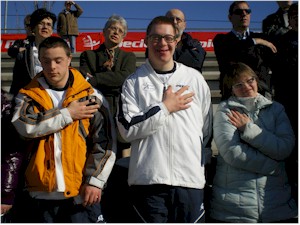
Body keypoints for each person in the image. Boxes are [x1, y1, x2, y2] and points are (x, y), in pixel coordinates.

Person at [116, 16, 213, 223]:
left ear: (177, 41)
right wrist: (165, 107)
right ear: (146, 41)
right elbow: (127, 130)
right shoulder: (133, 82)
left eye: (168, 38)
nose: (162, 44)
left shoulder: (195, 79)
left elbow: (204, 130)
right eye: (156, 38)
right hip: (148, 181)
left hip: (189, 181)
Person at [11, 36, 117, 223]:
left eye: (58, 60)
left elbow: (106, 142)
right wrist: (68, 114)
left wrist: (95, 181)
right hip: (39, 195)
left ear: (69, 59)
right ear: (39, 61)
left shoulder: (91, 96)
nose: (52, 66)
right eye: (46, 61)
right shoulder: (27, 95)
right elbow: (25, 127)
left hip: (82, 195)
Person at [210, 62, 298, 223]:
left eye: (250, 80)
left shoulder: (276, 109)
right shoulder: (225, 111)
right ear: (231, 89)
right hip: (234, 209)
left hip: (277, 206)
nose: (247, 86)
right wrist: (274, 166)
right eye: (238, 84)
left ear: (256, 80)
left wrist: (249, 130)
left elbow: (285, 148)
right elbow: (233, 154)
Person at [80, 14, 136, 159]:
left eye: (120, 31)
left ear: (123, 36)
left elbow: (125, 78)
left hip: (120, 108)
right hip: (96, 109)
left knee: (121, 154)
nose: (116, 32)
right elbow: (86, 81)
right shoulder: (88, 55)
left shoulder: (128, 57)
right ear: (104, 31)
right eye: (113, 28)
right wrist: (112, 80)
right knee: (96, 150)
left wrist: (97, 79)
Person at [213, 1, 277, 101]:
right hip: (233, 96)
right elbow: (228, 62)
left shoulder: (262, 37)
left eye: (247, 11)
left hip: (260, 94)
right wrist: (255, 41)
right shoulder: (221, 40)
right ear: (230, 17)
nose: (244, 14)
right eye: (239, 11)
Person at [271, 2, 298, 204]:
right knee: (291, 150)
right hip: (289, 103)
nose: (297, 19)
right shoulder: (282, 42)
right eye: (294, 16)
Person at [9, 8, 56, 97]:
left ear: (52, 31)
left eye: (49, 24)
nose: (45, 27)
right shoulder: (23, 56)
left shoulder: (61, 52)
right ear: (33, 28)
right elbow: (16, 83)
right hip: (30, 100)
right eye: (41, 23)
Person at [165, 8, 206, 73]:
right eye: (170, 19)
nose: (174, 22)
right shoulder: (154, 44)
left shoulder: (195, 45)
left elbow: (195, 66)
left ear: (184, 25)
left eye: (178, 19)